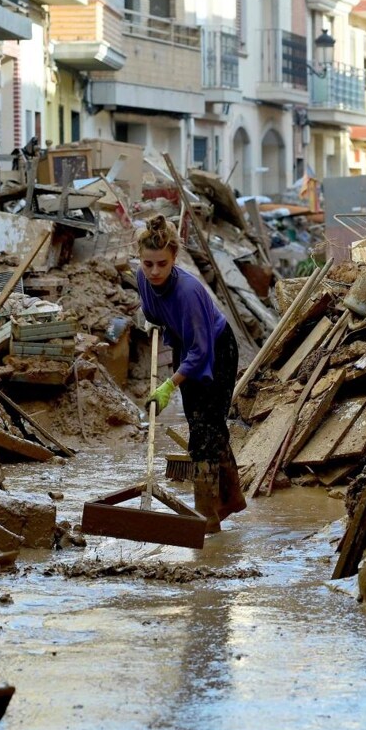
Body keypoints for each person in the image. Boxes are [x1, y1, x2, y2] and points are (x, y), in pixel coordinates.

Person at [135, 215, 246, 533]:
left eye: (161, 264)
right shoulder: (143, 278)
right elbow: (150, 307)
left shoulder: (188, 292)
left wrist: (169, 385)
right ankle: (231, 498)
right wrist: (151, 318)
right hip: (187, 344)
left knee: (203, 434)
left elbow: (200, 353)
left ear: (174, 259)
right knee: (203, 425)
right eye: (148, 264)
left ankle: (206, 519)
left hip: (217, 349)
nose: (154, 271)